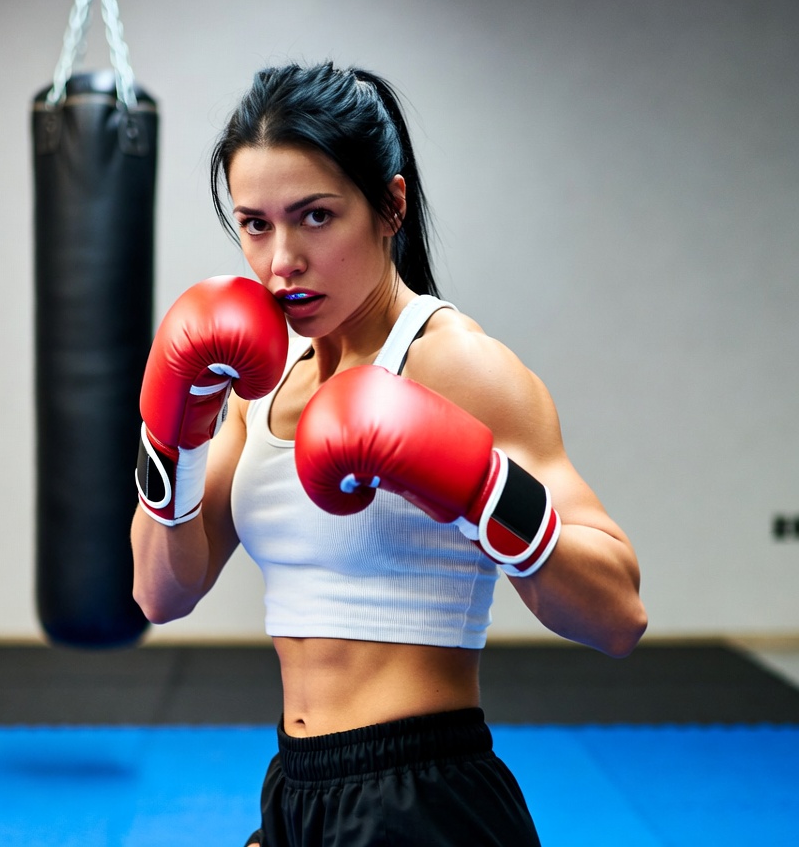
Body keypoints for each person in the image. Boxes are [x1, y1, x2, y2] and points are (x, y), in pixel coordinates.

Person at [130, 62, 647, 846]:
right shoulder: (257, 386)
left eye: (315, 217)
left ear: (390, 207)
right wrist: (173, 439)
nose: (281, 262)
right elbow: (162, 594)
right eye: (257, 224)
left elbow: (618, 615)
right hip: (296, 792)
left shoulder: (454, 366)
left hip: (423, 797)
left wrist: (478, 490)